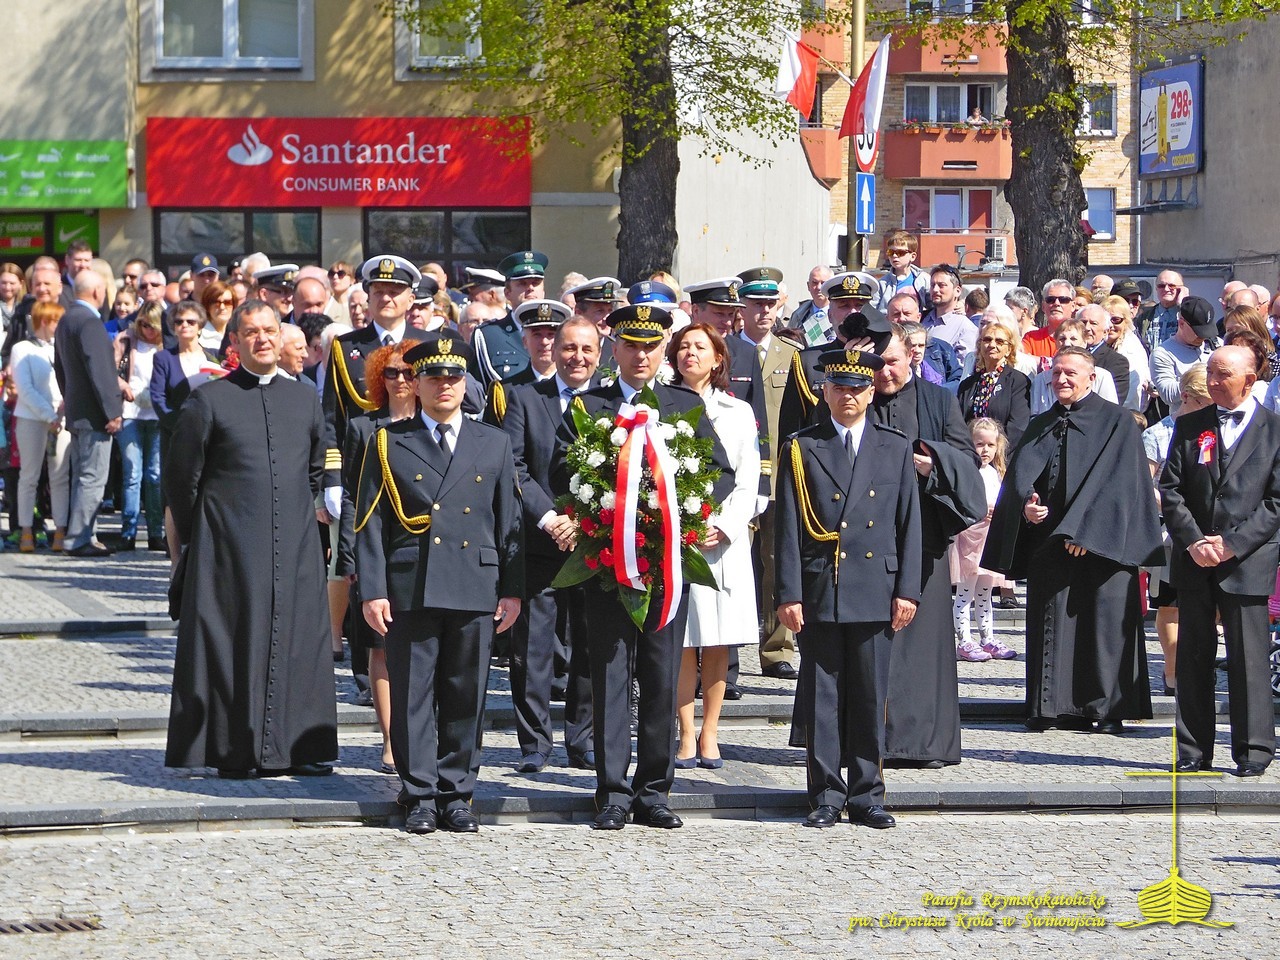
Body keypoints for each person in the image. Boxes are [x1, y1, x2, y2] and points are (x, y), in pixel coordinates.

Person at [552, 304, 736, 831]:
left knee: (660, 675)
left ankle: (654, 791)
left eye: (651, 346)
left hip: (665, 565)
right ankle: (612, 791)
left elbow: (720, 471)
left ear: (663, 351)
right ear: (615, 349)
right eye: (631, 345)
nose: (641, 355)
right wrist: (592, 514)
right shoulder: (590, 405)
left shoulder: (684, 404)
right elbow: (561, 471)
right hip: (608, 564)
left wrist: (689, 510)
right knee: (610, 675)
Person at [355, 335, 523, 834]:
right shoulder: (389, 441)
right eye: (433, 377)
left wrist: (512, 589)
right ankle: (420, 794)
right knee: (412, 693)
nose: (444, 385)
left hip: (475, 582)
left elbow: (509, 521)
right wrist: (372, 589)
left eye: (453, 377)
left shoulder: (492, 441)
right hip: (413, 582)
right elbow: (369, 521)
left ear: (465, 383)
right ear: (417, 384)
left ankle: (457, 793)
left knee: (466, 693)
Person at [164, 300, 338, 778]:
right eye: (251, 332)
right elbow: (182, 479)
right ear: (235, 341)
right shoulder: (209, 399)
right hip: (229, 546)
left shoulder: (304, 398)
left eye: (269, 330)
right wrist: (207, 534)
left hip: (295, 543)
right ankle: (234, 751)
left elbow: (313, 470)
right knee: (235, 642)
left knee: (299, 642)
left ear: (281, 337)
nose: (262, 339)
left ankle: (300, 747)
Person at [775, 347, 921, 828]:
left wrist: (908, 590)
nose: (848, 397)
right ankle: (825, 794)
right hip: (823, 586)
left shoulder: (895, 447)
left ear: (871, 392)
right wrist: (788, 593)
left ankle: (866, 793)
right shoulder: (802, 447)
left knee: (868, 696)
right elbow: (788, 527)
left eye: (858, 389)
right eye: (839, 388)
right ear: (825, 391)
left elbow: (909, 524)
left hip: (875, 586)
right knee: (822, 696)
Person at [983, 347, 1163, 734]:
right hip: (1050, 544)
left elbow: (1121, 485)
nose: (1062, 379)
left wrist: (1086, 530)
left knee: (1103, 629)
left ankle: (1106, 709)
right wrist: (1026, 505)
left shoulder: (1117, 422)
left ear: (1091, 378)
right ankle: (1051, 707)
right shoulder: (1042, 422)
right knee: (1052, 625)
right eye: (1057, 373)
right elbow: (1020, 478)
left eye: (1070, 373)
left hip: (1104, 547)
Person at [485, 315, 599, 774]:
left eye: (586, 349)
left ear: (599, 353)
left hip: (595, 545)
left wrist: (587, 524)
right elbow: (513, 465)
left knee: (589, 647)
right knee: (532, 650)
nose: (577, 357)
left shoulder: (612, 402)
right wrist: (551, 518)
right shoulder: (525, 399)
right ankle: (534, 744)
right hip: (539, 541)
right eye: (569, 347)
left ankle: (583, 740)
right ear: (555, 350)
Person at [1159, 345, 1280, 777]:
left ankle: (1253, 750)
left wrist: (1232, 544)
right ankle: (1193, 750)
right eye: (1209, 372)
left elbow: (1275, 501)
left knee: (1249, 659)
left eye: (1222, 374)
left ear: (1249, 378)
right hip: (1195, 559)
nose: (1212, 381)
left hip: (1246, 560)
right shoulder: (1191, 425)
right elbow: (1171, 489)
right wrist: (1193, 540)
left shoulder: (1274, 430)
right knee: (1193, 656)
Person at [870, 329, 986, 769]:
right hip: (868, 538)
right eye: (877, 364)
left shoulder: (937, 400)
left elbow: (967, 460)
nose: (885, 372)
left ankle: (920, 744)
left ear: (911, 358)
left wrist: (934, 464)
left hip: (924, 535)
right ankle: (866, 739)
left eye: (892, 362)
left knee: (922, 646)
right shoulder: (857, 398)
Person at [668, 323, 762, 769]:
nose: (690, 353)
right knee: (684, 639)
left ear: (718, 358)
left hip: (723, 539)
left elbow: (748, 479)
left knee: (717, 639)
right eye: (683, 346)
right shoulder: (659, 404)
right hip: (675, 537)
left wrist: (724, 526)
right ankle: (685, 732)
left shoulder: (738, 411)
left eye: (700, 347)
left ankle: (710, 731)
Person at [335, 342, 421, 774]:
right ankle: (389, 739)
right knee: (381, 646)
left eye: (408, 372)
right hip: (376, 549)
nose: (400, 379)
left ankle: (420, 734)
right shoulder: (362, 427)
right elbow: (352, 496)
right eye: (391, 373)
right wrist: (349, 557)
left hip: (422, 549)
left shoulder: (435, 422)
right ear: (378, 379)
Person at [736, 267, 800, 680]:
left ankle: (777, 650)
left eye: (770, 304)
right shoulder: (723, 352)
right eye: (756, 304)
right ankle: (722, 658)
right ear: (741, 307)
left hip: (779, 476)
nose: (763, 312)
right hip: (736, 478)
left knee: (778, 563)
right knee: (732, 564)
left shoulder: (791, 355)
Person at [1143, 365, 1213, 697]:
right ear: (1188, 398)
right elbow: (1144, 484)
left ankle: (1196, 668)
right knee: (1169, 605)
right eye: (1206, 401)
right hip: (1169, 531)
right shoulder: (1158, 434)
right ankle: (1173, 673)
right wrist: (1173, 508)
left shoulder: (1214, 431)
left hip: (1207, 531)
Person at [54, 269, 122, 557]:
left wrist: (70, 399)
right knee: (93, 478)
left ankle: (85, 535)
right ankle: (79, 539)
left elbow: (60, 368)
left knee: (82, 477)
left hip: (78, 411)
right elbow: (101, 371)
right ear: (97, 291)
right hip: (95, 415)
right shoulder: (91, 322)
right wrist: (112, 411)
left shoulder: (66, 320)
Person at [151, 300, 222, 562]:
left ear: (200, 326)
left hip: (210, 436)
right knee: (175, 493)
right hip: (175, 436)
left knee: (206, 490)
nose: (184, 326)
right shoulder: (164, 358)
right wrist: (181, 427)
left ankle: (203, 549)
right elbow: (158, 398)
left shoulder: (213, 357)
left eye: (191, 321)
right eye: (179, 322)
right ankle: (175, 556)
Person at [950, 418, 1017, 661]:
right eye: (980, 444)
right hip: (971, 538)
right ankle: (964, 640)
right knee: (965, 593)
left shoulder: (996, 473)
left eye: (990, 445)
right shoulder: (967, 471)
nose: (985, 450)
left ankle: (987, 636)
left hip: (990, 538)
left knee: (985, 593)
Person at [9, 302, 70, 552]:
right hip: (31, 418)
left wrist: (61, 412)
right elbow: (25, 388)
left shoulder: (61, 347)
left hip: (60, 418)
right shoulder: (21, 348)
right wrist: (48, 415)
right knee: (29, 475)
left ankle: (61, 529)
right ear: (44, 321)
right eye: (57, 321)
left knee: (60, 476)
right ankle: (26, 530)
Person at [113, 302, 165, 550]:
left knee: (155, 475)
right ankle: (128, 532)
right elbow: (109, 371)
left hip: (157, 415)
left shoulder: (168, 345)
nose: (147, 331)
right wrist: (123, 386)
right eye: (143, 325)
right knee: (132, 473)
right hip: (130, 412)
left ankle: (155, 532)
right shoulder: (125, 341)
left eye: (152, 326)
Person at [470, 250, 548, 388]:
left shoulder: (560, 331)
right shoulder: (488, 335)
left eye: (536, 283)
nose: (530, 288)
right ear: (507, 293)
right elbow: (477, 387)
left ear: (543, 291)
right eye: (522, 283)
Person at [957, 320, 1032, 446]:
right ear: (980, 345)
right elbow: (958, 424)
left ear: (1009, 349)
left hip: (1003, 453)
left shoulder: (1018, 382)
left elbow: (1018, 427)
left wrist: (995, 451)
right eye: (987, 340)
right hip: (969, 451)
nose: (992, 345)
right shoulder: (967, 385)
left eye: (999, 341)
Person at [1029, 319, 1118, 413]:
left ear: (1084, 342)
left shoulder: (1102, 377)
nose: (1067, 343)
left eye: (1073, 339)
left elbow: (1111, 413)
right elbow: (1035, 415)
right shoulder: (1041, 380)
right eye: (1062, 339)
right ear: (1055, 342)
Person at [875, 229, 931, 311]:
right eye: (891, 252)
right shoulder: (882, 283)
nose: (894, 256)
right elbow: (872, 310)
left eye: (900, 252)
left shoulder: (924, 279)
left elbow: (934, 306)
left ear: (913, 256)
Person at [1022, 279, 1077, 361]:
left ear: (1073, 306)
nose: (1056, 303)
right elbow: (1022, 361)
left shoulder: (1082, 337)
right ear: (1043, 306)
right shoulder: (1031, 338)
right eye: (1050, 300)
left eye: (1063, 300)